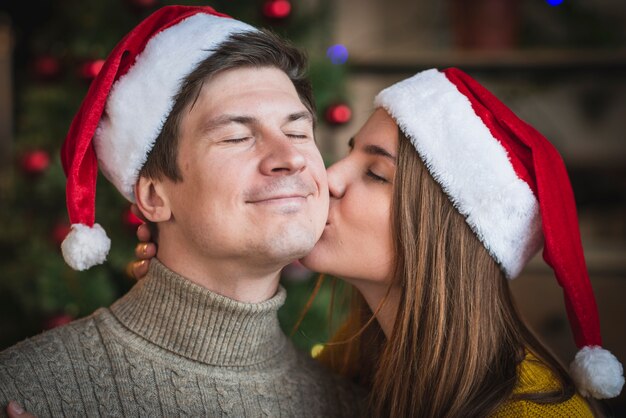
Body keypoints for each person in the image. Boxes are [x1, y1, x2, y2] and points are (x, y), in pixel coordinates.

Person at [131, 67, 625, 416]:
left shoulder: (530, 413)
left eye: (377, 174)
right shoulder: (352, 374)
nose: (328, 177)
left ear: (443, 233)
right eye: (347, 153)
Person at [0, 6, 363, 417]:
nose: (290, 157)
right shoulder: (25, 389)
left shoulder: (349, 406)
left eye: (298, 131)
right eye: (236, 137)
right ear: (154, 196)